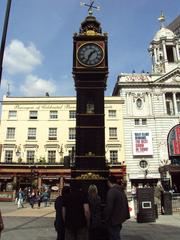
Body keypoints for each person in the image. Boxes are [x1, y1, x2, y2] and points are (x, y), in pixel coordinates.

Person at [104, 175, 130, 240]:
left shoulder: (112, 191)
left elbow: (109, 207)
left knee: (114, 236)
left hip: (113, 219)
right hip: (120, 217)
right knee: (116, 235)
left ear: (109, 182)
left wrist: (106, 218)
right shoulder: (121, 190)